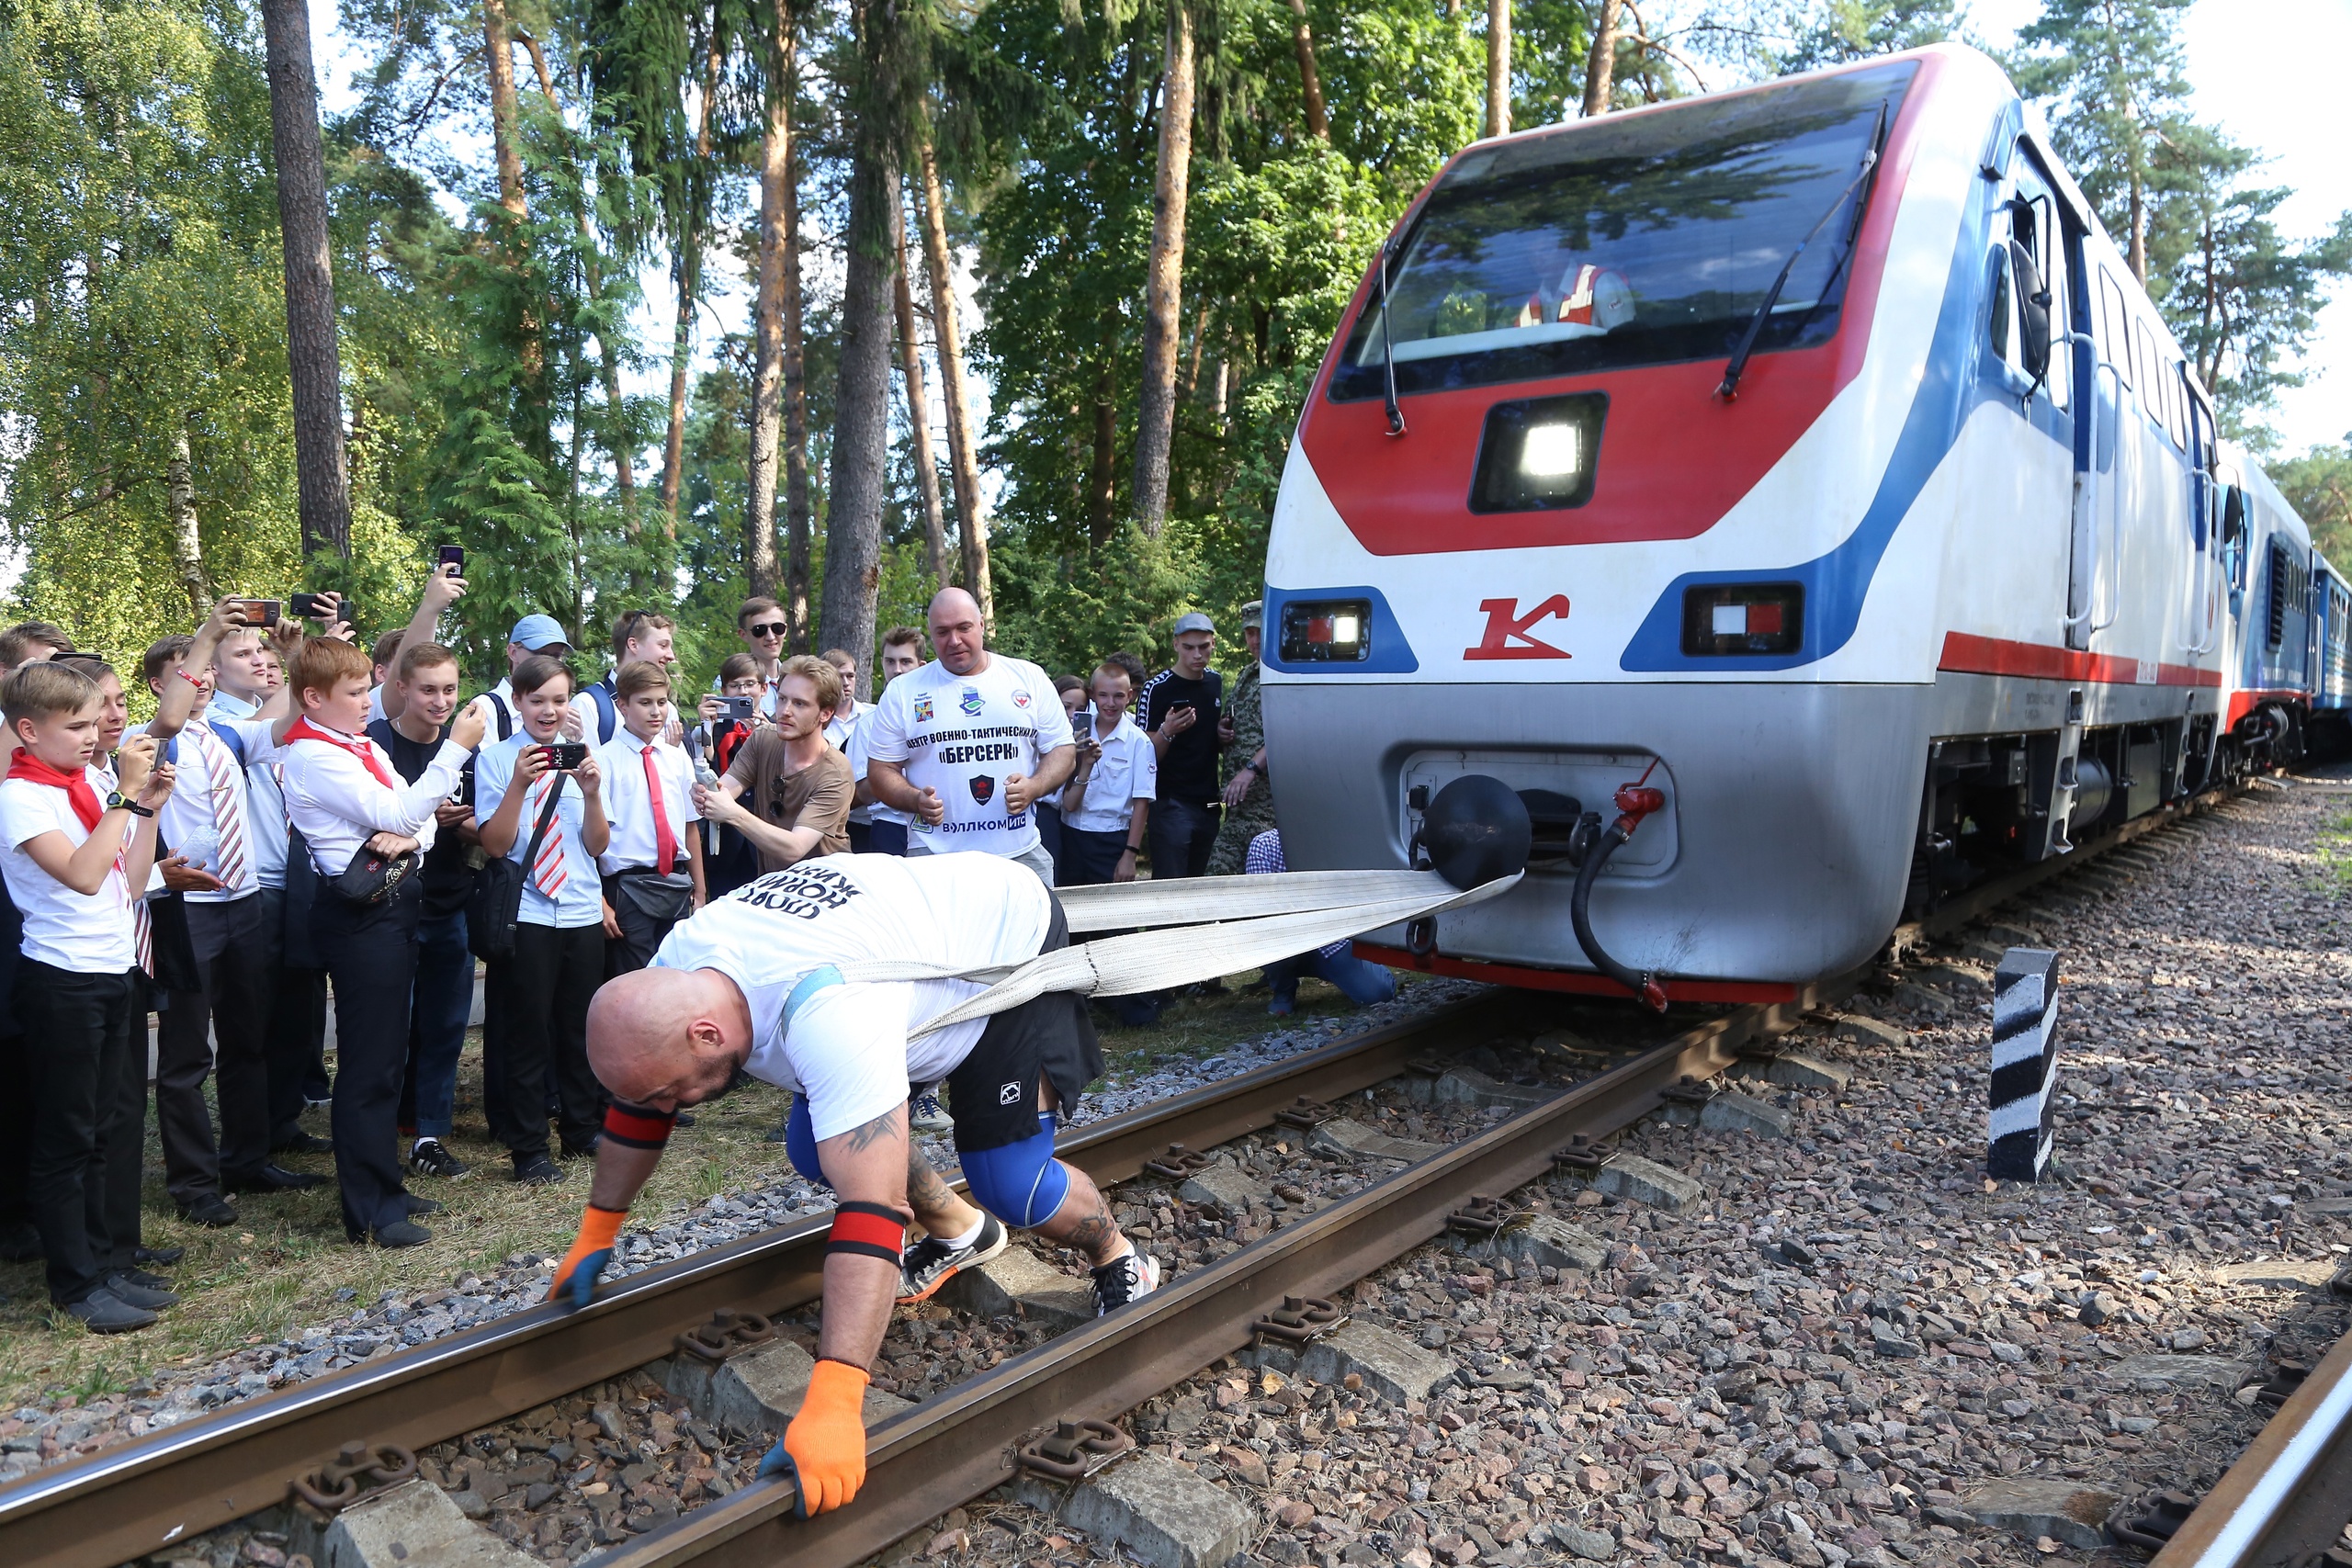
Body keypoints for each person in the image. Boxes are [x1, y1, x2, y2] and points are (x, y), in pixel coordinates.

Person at [544, 853, 1158, 1516]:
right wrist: (595, 1233)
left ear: (706, 1032)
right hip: (902, 954)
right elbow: (643, 1103)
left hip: (1005, 946)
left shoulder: (829, 1014)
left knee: (1012, 1183)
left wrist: (836, 1401)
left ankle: (1122, 1256)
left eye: (674, 1091)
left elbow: (872, 1209)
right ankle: (960, 1230)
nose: (673, 1106)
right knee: (821, 1149)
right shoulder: (682, 963)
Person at [278, 636, 487, 1246]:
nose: (366, 702)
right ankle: (369, 1208)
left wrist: (412, 834)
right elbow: (405, 811)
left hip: (394, 905)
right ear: (313, 698)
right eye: (352, 693)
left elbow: (418, 818)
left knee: (387, 1057)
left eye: (366, 690)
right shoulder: (315, 756)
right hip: (360, 917)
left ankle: (384, 1186)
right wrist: (454, 753)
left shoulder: (358, 743)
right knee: (368, 1064)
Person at [0, 660, 178, 1330]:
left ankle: (107, 1266)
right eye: (72, 725)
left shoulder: (90, 784)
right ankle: (74, 1284)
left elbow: (127, 881)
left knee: (103, 1131)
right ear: (27, 729)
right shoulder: (22, 795)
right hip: (60, 979)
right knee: (66, 1138)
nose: (88, 735)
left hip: (111, 968)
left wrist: (148, 811)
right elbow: (79, 873)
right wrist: (126, 800)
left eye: (90, 722)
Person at [135, 607, 322, 1223]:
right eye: (187, 672)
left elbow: (292, 719)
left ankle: (247, 1155)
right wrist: (206, 636)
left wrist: (291, 659)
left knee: (248, 1037)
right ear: (161, 684)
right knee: (188, 1053)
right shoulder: (148, 738)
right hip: (189, 908)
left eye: (207, 672)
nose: (204, 680)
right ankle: (193, 1183)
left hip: (242, 900)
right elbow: (169, 717)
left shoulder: (225, 735)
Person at [475, 654, 612, 1183]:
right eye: (537, 701)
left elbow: (598, 845)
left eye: (559, 700)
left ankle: (581, 1128)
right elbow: (495, 843)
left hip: (578, 907)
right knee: (526, 1031)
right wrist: (517, 785)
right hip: (527, 913)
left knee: (579, 1028)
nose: (549, 712)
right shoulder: (496, 760)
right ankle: (529, 1146)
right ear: (517, 703)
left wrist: (594, 793)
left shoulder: (587, 759)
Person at [862, 590, 1074, 886]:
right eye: (943, 632)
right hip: (934, 857)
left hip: (1020, 852)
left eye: (964, 628)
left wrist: (1035, 786)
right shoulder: (903, 691)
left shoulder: (1028, 677)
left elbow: (1063, 749)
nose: (955, 640)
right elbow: (881, 770)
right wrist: (914, 799)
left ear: (982, 625)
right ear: (931, 636)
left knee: (1038, 932)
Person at [368, 643, 482, 1182]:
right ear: (401, 689)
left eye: (450, 690)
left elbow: (492, 828)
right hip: (389, 908)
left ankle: (430, 1133)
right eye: (429, 690)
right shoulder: (375, 745)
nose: (441, 701)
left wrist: (463, 823)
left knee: (444, 1025)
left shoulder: (469, 748)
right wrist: (420, 813)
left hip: (449, 903)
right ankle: (379, 1129)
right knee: (391, 1027)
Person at [597, 660, 706, 976]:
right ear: (622, 706)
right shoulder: (605, 760)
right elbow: (591, 839)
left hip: (676, 883)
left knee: (674, 975)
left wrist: (699, 892)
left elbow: (689, 828)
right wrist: (601, 903)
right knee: (634, 979)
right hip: (627, 888)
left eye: (661, 702)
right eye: (645, 703)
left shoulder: (676, 758)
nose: (656, 711)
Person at [696, 655, 853, 875]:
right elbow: (725, 789)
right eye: (782, 699)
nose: (785, 711)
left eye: (799, 703)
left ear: (825, 714)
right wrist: (707, 793)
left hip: (824, 890)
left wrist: (733, 813)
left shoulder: (835, 773)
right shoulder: (763, 739)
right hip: (772, 886)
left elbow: (795, 848)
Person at [1246, 829, 1397, 1015]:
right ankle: (1283, 991)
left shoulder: (1334, 839)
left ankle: (1370, 968)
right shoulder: (1264, 844)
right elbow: (1263, 912)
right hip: (1285, 939)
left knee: (1378, 994)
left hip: (1331, 939)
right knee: (1270, 937)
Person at [1135, 612, 1227, 883]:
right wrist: (1168, 731)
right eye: (1189, 648)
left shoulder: (1214, 682)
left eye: (1203, 647)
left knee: (1201, 884)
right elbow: (1142, 756)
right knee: (1171, 885)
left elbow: (1208, 736)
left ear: (1213, 645)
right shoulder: (1157, 689)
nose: (1197, 655)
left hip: (1209, 802)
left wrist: (1221, 733)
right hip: (1171, 802)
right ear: (1176, 645)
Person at [1054, 662, 1153, 889]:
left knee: (1113, 915)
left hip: (1111, 838)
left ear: (1129, 696)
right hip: (1070, 834)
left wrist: (1130, 854)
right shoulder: (1076, 732)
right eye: (1103, 695)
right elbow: (1066, 795)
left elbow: (1142, 801)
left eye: (1118, 696)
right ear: (1092, 695)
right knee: (1071, 910)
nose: (1110, 703)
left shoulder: (1139, 742)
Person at [1207, 601, 1273, 875]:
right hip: (1238, 812)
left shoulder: (1283, 676)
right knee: (1217, 884)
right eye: (1249, 633)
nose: (1255, 640)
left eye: (1261, 631)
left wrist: (1251, 769)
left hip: (1268, 813)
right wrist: (1222, 731)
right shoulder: (1247, 675)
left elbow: (1285, 734)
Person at [848, 628, 925, 856]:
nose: (897, 669)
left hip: (936, 825)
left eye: (905, 661)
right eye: (890, 661)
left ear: (921, 666)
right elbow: (859, 791)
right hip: (889, 823)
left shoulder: (940, 717)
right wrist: (888, 775)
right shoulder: (869, 723)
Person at [465, 614, 581, 743]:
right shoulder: (486, 709)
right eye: (540, 654)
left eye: (556, 656)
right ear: (513, 652)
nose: (547, 663)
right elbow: (486, 762)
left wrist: (568, 744)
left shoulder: (565, 714)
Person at [581, 610, 679, 746]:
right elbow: (586, 765)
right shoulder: (589, 704)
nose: (671, 656)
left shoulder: (668, 710)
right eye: (663, 645)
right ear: (633, 645)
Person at [820, 649, 876, 852]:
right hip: (834, 820)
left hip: (874, 818)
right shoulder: (816, 721)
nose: (845, 682)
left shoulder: (874, 715)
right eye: (838, 676)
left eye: (850, 676)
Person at [1035, 676, 1087, 868]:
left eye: (1080, 710)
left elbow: (1069, 800)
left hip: (1055, 817)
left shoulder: (1083, 741)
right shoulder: (1036, 731)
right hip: (1030, 809)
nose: (1073, 715)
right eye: (1066, 707)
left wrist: (1082, 760)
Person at [728, 598, 790, 717]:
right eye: (759, 630)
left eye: (777, 628)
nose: (771, 637)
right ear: (743, 635)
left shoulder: (798, 681)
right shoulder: (731, 682)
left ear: (785, 630)